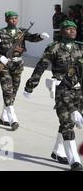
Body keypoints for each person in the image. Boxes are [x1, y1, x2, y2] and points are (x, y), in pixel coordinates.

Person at [24, 20, 83, 170]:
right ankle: (74, 160)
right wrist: (31, 86)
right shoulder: (54, 48)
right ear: (62, 31)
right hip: (61, 88)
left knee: (68, 120)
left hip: (78, 90)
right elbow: (41, 66)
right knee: (67, 122)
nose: (72, 31)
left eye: (74, 29)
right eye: (68, 29)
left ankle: (57, 151)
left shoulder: (80, 47)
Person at [0, 11, 49, 131]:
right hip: (5, 64)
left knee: (13, 92)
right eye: (11, 19)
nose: (14, 21)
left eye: (16, 18)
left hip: (18, 64)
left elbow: (32, 38)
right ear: (6, 20)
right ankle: (13, 119)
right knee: (7, 90)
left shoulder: (21, 32)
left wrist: (40, 36)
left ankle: (3, 116)